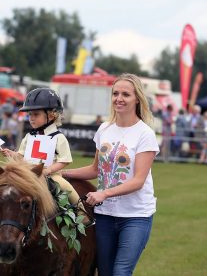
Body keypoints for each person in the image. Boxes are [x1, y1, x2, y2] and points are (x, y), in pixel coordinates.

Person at [62, 73, 159, 276]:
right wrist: (61, 174)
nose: (119, 98)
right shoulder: (104, 129)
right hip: (105, 215)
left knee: (121, 272)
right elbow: (95, 169)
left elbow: (138, 181)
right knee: (104, 272)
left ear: (137, 99)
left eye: (126, 94)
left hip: (135, 216)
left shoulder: (145, 134)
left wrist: (103, 194)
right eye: (115, 93)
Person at [0, 88, 90, 223]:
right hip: (29, 176)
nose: (31, 118)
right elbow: (22, 156)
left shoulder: (58, 137)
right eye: (29, 115)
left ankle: (81, 212)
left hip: (51, 175)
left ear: (52, 115)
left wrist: (48, 170)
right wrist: (12, 154)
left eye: (35, 114)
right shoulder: (29, 136)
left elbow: (64, 160)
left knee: (65, 186)